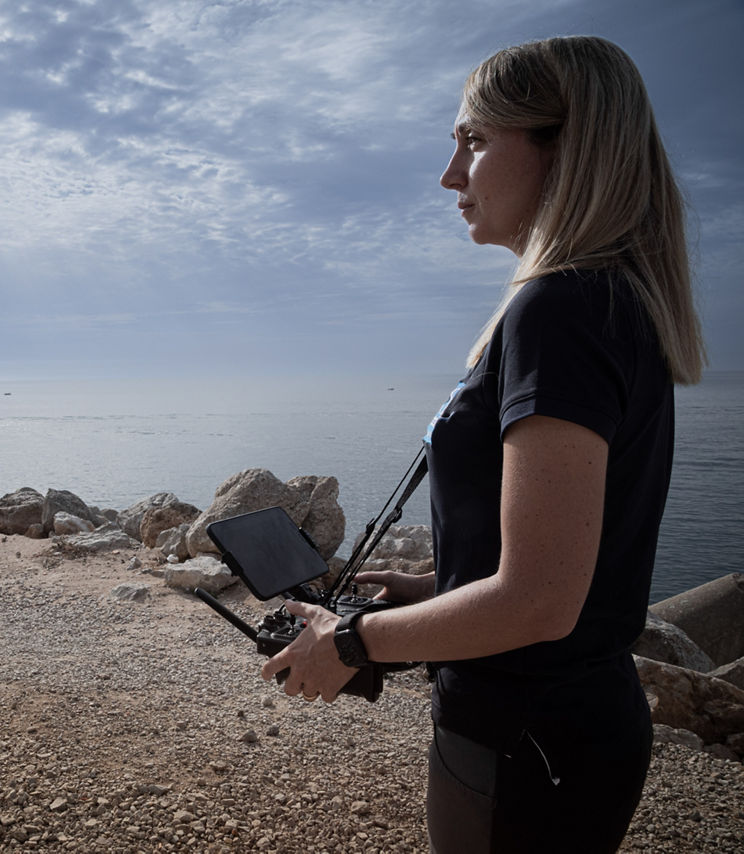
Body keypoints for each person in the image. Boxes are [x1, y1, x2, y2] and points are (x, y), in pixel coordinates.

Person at [260, 36, 705, 853]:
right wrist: (438, 585)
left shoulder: (559, 311)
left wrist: (352, 642)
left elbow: (538, 601)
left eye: (473, 140)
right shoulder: (611, 301)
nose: (449, 174)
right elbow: (576, 563)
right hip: (567, 732)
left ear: (562, 147)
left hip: (524, 741)